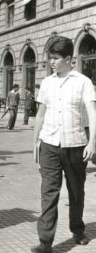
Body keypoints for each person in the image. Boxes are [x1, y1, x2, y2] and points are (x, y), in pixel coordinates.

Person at [31, 36, 96, 253]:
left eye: (56, 58)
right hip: (49, 144)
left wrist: (92, 143)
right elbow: (41, 114)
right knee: (48, 193)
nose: (51, 62)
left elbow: (93, 114)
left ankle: (77, 230)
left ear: (69, 58)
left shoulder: (83, 82)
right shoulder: (47, 83)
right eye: (50, 58)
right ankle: (45, 242)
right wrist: (35, 141)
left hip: (76, 145)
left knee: (76, 191)